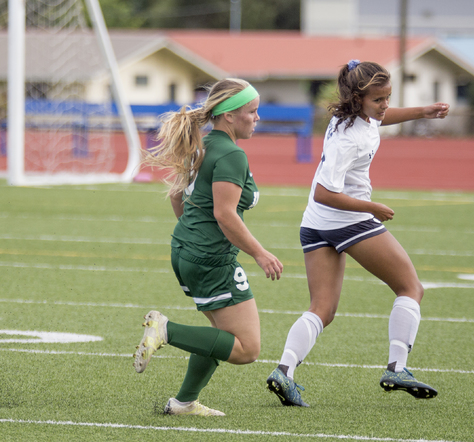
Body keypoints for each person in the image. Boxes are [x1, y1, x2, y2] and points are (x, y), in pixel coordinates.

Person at [266, 60, 449, 407]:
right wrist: (372, 208)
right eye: (379, 99)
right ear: (359, 98)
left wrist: (422, 111)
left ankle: (284, 372)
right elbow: (324, 191)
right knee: (411, 287)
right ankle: (397, 367)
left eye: (387, 98)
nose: (384, 106)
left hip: (315, 223)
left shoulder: (349, 117)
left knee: (323, 308)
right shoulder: (349, 138)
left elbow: (379, 121)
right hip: (345, 218)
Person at [133, 78, 283, 417]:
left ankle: (183, 403)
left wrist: (192, 233)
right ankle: (165, 329)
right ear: (229, 116)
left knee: (222, 334)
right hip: (210, 258)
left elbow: (176, 195)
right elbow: (225, 214)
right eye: (252, 111)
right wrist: (260, 253)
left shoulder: (204, 144)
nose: (257, 117)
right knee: (246, 349)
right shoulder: (231, 153)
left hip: (186, 250)